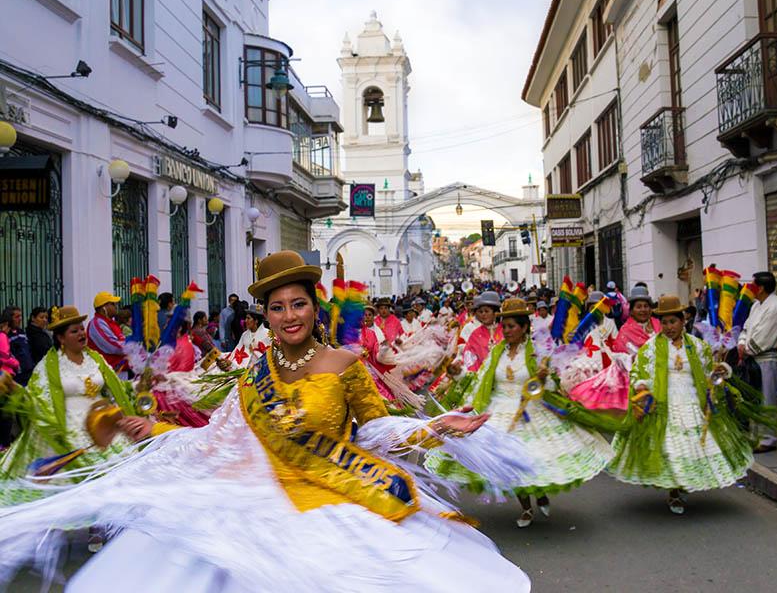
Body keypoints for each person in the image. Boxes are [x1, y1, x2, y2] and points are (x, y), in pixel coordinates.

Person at [0, 251, 531, 591]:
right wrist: (154, 430)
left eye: (298, 303)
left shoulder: (346, 366)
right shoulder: (255, 373)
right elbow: (219, 439)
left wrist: (435, 428)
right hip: (261, 499)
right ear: (265, 316)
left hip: (336, 494)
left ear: (313, 307)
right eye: (276, 308)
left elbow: (373, 431)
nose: (289, 315)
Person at [426, 298, 612, 528]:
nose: (507, 331)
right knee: (510, 461)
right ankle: (526, 506)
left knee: (535, 457)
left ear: (524, 327)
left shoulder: (538, 353)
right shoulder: (496, 353)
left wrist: (545, 378)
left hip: (532, 411)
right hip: (500, 413)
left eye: (512, 326)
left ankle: (540, 492)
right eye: (504, 326)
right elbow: (480, 381)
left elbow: (555, 385)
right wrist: (459, 373)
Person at [606, 295, 751, 514]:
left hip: (692, 401)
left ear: (683, 321)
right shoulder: (651, 347)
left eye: (672, 322)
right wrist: (642, 388)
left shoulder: (697, 346)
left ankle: (683, 483)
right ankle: (674, 492)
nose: (668, 327)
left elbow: (707, 373)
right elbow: (638, 371)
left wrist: (720, 371)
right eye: (664, 322)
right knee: (671, 448)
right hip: (664, 402)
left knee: (692, 448)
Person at [0, 305, 135, 485]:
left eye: (81, 329)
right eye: (74, 331)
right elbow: (35, 400)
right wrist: (14, 389)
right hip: (68, 429)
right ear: (61, 338)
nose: (81, 333)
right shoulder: (47, 367)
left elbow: (117, 388)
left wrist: (137, 386)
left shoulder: (96, 359)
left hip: (103, 425)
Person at [737, 271, 777, 453]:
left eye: (752, 285)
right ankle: (756, 434)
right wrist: (742, 343)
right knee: (754, 398)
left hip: (767, 358)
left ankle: (768, 438)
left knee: (767, 398)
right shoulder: (756, 306)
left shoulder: (775, 307)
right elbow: (746, 328)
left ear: (760, 287)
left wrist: (747, 348)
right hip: (752, 358)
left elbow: (763, 338)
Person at [611, 285, 660, 356]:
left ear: (650, 309)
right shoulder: (625, 331)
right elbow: (619, 356)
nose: (643, 310)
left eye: (646, 306)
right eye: (639, 307)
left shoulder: (659, 324)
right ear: (631, 311)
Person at [86, 291, 127, 373]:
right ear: (103, 308)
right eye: (112, 304)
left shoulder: (110, 322)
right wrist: (133, 348)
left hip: (120, 369)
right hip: (108, 372)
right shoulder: (97, 323)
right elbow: (113, 346)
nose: (116, 306)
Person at [229, 303, 271, 369]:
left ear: (256, 321)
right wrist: (229, 361)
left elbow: (270, 357)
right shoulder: (245, 334)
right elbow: (237, 349)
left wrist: (255, 351)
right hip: (243, 369)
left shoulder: (268, 334)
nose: (245, 321)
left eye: (248, 318)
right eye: (246, 318)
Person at [2, 307, 32, 386]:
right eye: (17, 317)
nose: (20, 319)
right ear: (9, 319)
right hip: (16, 377)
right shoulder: (4, 335)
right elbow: (5, 355)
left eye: (21, 316)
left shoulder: (21, 332)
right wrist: (18, 365)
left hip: (28, 374)